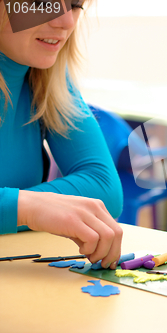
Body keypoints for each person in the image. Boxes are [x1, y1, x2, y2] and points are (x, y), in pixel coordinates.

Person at [0, 0, 124, 269]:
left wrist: (19, 206)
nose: (66, 22)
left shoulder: (43, 72)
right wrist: (26, 207)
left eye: (76, 4)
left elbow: (104, 188)